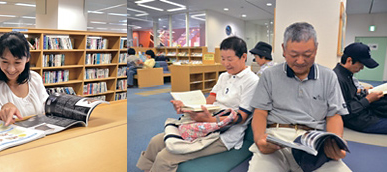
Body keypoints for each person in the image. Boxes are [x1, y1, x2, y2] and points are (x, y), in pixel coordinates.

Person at [136, 36, 258, 172]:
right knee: (155, 142)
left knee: (165, 157)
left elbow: (241, 118)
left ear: (243, 57)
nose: (226, 63)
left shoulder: (252, 81)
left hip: (223, 135)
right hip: (203, 126)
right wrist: (187, 107)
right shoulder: (224, 76)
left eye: (230, 59)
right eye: (223, 59)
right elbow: (209, 101)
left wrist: (211, 120)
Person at [249, 22, 350, 172]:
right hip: (277, 139)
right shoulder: (269, 75)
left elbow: (333, 115)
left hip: (313, 142)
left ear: (316, 50)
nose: (300, 61)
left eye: (307, 55)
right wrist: (259, 139)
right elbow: (260, 112)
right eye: (294, 55)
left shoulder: (329, 76)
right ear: (283, 49)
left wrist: (334, 142)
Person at [0, 32, 49, 125]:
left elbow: (47, 111)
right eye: (5, 62)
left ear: (27, 58)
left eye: (17, 62)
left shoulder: (35, 78)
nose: (11, 69)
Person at [335, 42, 387, 134]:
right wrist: (368, 99)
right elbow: (344, 112)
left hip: (365, 114)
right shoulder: (338, 79)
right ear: (349, 60)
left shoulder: (347, 76)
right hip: (360, 121)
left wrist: (365, 93)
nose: (362, 68)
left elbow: (351, 98)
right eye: (361, 64)